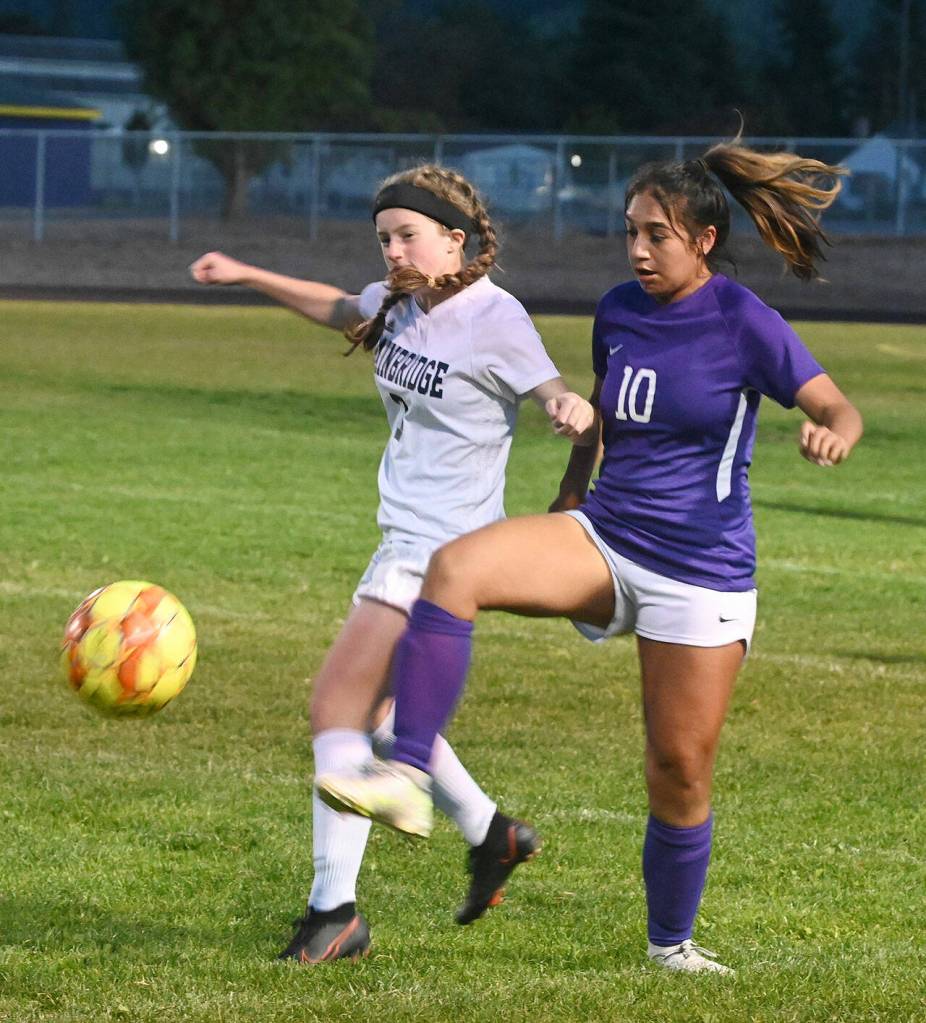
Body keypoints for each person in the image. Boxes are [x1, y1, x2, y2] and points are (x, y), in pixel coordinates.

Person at [316, 138, 864, 974]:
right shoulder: (618, 308)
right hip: (605, 538)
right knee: (454, 567)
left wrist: (832, 431)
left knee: (677, 767)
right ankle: (407, 766)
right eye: (631, 232)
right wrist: (572, 491)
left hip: (700, 570)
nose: (639, 251)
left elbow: (837, 404)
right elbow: (605, 415)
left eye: (658, 235)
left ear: (703, 241)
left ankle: (670, 943)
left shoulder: (742, 320)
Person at [190, 164, 596, 964]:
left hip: (442, 550)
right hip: (401, 537)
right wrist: (243, 274)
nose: (394, 251)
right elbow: (337, 305)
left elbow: (554, 391)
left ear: (458, 240)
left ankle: (332, 913)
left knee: (335, 706)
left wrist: (566, 405)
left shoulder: (494, 316)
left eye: (409, 235)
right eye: (384, 238)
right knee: (378, 716)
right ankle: (491, 832)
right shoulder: (398, 305)